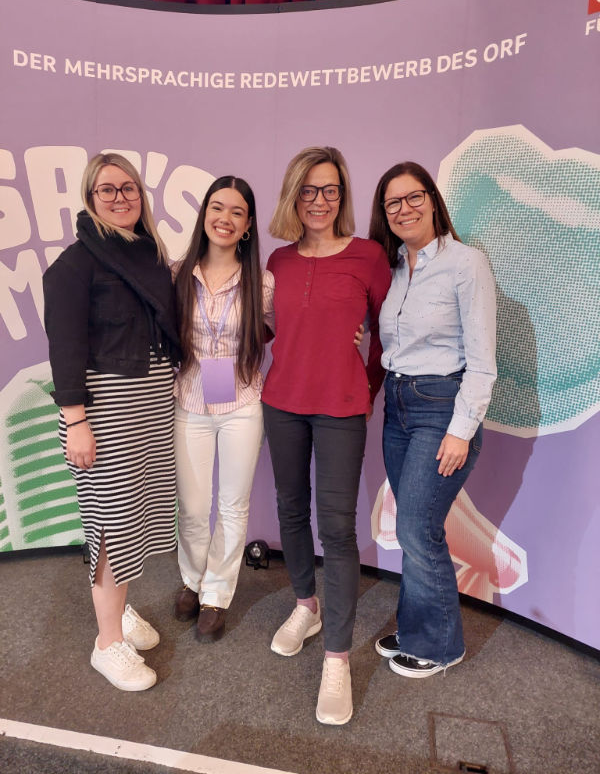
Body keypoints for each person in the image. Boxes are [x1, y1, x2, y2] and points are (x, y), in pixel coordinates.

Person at [262, 146, 391, 725]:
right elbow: (261, 331)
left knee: (337, 530)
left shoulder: (368, 257)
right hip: (281, 404)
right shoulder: (278, 261)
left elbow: (390, 333)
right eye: (309, 190)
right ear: (294, 195)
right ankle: (305, 606)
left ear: (342, 196)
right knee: (290, 510)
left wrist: (366, 385)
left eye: (330, 190)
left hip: (340, 410)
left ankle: (337, 658)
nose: (319, 201)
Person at [42, 153, 181, 691]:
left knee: (136, 518)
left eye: (129, 188)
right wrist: (75, 420)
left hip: (149, 409)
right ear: (90, 198)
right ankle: (107, 644)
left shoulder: (147, 253)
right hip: (103, 414)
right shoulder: (75, 265)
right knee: (112, 526)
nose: (121, 197)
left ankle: (118, 612)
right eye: (107, 189)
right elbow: (66, 349)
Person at [368, 161, 497, 678]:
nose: (404, 209)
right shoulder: (396, 268)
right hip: (397, 404)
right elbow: (393, 341)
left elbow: (483, 361)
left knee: (417, 526)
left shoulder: (466, 263)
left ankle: (441, 645)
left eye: (413, 197)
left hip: (441, 407)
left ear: (432, 200)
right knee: (414, 526)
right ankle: (416, 627)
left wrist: (461, 430)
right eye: (392, 203)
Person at [171, 176, 274, 640]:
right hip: (191, 400)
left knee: (232, 505)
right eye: (217, 207)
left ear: (248, 225)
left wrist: (350, 333)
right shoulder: (177, 274)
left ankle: (215, 593)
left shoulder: (263, 284)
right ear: (204, 214)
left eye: (237, 212)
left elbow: (296, 325)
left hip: (241, 404)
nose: (225, 219)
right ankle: (192, 580)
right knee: (194, 507)